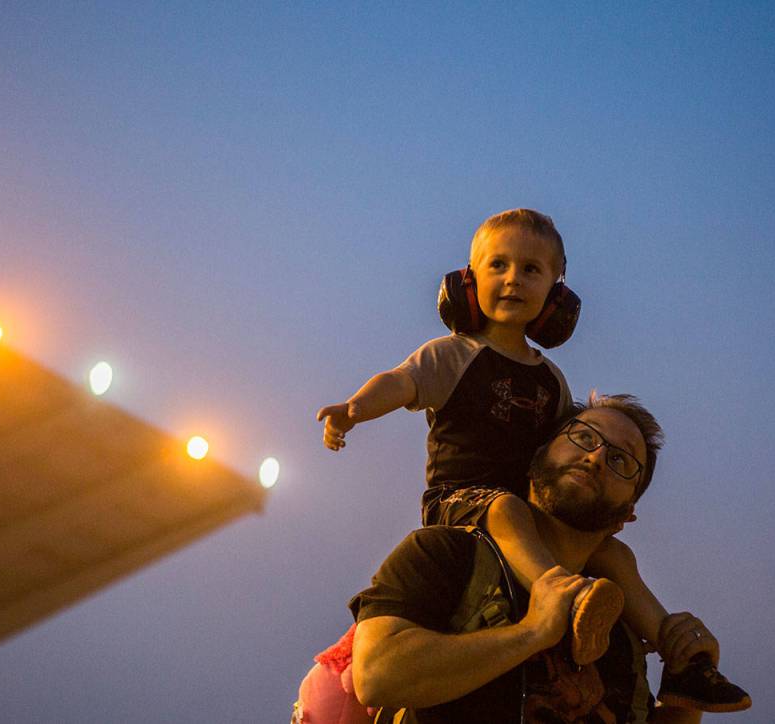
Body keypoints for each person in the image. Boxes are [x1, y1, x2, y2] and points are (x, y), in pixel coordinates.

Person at [315, 209, 746, 709]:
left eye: (531, 270)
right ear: (467, 282)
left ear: (556, 296)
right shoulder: (454, 354)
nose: (513, 279)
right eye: (498, 266)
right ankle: (562, 594)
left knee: (613, 555)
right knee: (505, 508)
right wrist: (355, 409)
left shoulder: (553, 381)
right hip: (460, 503)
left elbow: (566, 449)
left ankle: (683, 663)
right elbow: (401, 381)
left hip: (521, 512)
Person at [349, 393, 750, 723]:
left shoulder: (620, 637)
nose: (595, 458)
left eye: (620, 460)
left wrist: (686, 693)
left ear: (628, 513)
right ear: (537, 454)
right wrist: (533, 632)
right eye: (584, 438)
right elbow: (378, 674)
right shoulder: (448, 553)